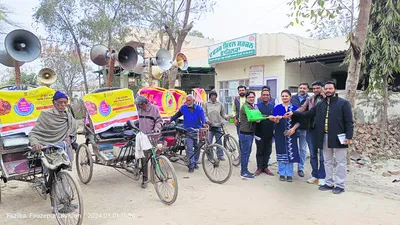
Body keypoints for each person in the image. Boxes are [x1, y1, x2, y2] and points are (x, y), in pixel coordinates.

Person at [287, 81, 354, 194]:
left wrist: (349, 136)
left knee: (340, 162)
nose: (328, 91)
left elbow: (349, 122)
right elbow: (308, 113)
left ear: (335, 90)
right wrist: (293, 114)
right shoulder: (321, 104)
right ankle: (328, 183)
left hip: (339, 137)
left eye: (330, 88)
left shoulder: (343, 103)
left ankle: (340, 185)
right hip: (324, 136)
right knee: (327, 161)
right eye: (326, 89)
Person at [29, 91, 77, 166]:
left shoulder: (68, 116)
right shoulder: (45, 114)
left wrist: (70, 138)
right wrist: (35, 143)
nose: (63, 105)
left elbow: (73, 130)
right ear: (54, 102)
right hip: (47, 147)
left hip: (63, 148)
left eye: (65, 102)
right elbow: (34, 132)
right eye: (60, 102)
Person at [295, 81, 326, 185]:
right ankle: (314, 175)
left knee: (322, 155)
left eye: (318, 88)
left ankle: (322, 176)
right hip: (311, 130)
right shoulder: (310, 99)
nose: (316, 90)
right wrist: (293, 114)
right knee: (313, 154)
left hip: (323, 131)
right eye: (314, 89)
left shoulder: (327, 99)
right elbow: (302, 108)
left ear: (322, 88)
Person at [170, 95, 207, 173]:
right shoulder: (183, 108)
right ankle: (191, 165)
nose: (188, 102)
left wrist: (204, 124)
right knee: (189, 149)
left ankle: (195, 161)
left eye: (189, 100)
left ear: (193, 101)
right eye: (187, 100)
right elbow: (177, 115)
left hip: (197, 131)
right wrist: (170, 120)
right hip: (188, 131)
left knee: (197, 148)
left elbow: (202, 117)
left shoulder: (199, 108)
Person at [134, 95, 163, 188]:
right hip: (143, 137)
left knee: (155, 158)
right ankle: (145, 179)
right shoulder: (139, 110)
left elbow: (159, 121)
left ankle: (154, 176)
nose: (138, 107)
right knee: (144, 159)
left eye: (140, 105)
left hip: (153, 137)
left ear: (145, 104)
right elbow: (137, 120)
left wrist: (157, 128)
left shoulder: (154, 109)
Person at [273, 90, 300, 182]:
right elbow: (274, 121)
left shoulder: (295, 108)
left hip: (291, 134)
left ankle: (289, 174)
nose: (284, 98)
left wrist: (293, 129)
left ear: (290, 97)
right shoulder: (277, 107)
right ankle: (281, 173)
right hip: (279, 133)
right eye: (283, 96)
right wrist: (277, 119)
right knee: (281, 152)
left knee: (290, 152)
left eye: (286, 96)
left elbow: (299, 121)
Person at [290, 82, 310, 177]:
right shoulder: (292, 98)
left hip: (304, 128)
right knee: (291, 147)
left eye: (304, 88)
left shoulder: (310, 99)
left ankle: (300, 168)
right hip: (292, 127)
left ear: (307, 90)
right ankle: (289, 167)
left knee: (302, 149)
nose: (302, 89)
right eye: (301, 87)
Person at [254, 89, 275, 176]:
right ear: (261, 96)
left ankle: (265, 167)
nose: (265, 96)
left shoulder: (273, 106)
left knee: (268, 150)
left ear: (269, 96)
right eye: (264, 95)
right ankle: (259, 168)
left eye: (267, 95)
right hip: (259, 132)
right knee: (260, 150)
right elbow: (256, 118)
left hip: (269, 132)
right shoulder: (256, 106)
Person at [238, 91, 259, 179]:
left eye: (253, 97)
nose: (251, 98)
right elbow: (257, 119)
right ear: (246, 98)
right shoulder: (246, 107)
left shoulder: (252, 106)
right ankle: (243, 172)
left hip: (249, 133)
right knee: (245, 153)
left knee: (247, 153)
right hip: (245, 134)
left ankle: (245, 170)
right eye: (249, 97)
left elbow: (258, 117)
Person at [204, 90, 228, 160]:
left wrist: (226, 117)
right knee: (209, 142)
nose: (213, 97)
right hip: (210, 126)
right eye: (212, 96)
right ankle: (210, 156)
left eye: (214, 95)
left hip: (218, 125)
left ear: (216, 96)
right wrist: (207, 120)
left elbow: (223, 114)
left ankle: (220, 155)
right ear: (210, 96)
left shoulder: (220, 104)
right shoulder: (206, 104)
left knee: (219, 141)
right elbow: (204, 114)